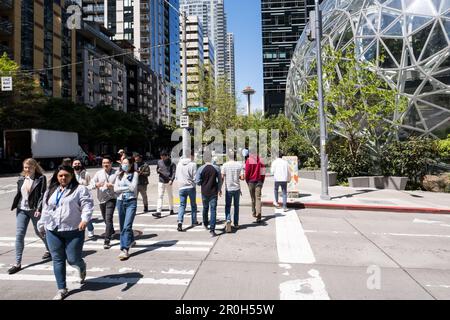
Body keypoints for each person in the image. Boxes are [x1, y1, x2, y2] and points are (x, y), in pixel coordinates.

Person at [38, 165, 94, 300]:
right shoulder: (51, 190)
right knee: (57, 259)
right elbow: (46, 209)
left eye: (66, 175)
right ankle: (62, 288)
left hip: (73, 229)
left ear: (71, 176)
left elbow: (87, 205)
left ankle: (81, 266)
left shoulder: (80, 189)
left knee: (73, 259)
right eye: (60, 175)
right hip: (53, 230)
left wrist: (84, 219)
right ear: (57, 177)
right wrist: (41, 224)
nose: (63, 178)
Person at [8, 159, 51, 275]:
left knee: (40, 232)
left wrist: (39, 209)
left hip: (34, 210)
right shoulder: (21, 178)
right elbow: (20, 193)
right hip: (21, 209)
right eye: (25, 167)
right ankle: (17, 263)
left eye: (29, 167)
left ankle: (50, 249)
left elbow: (42, 195)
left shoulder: (41, 178)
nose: (27, 170)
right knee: (19, 235)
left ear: (34, 167)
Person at [90, 156, 118, 249]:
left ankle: (107, 240)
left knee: (108, 218)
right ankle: (112, 231)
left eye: (107, 163)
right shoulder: (98, 173)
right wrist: (96, 185)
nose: (105, 164)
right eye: (103, 163)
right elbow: (91, 184)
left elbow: (120, 185)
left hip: (112, 198)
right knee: (106, 219)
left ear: (111, 163)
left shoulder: (116, 173)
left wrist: (112, 186)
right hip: (101, 199)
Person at [114, 156, 139, 261]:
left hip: (131, 201)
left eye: (126, 163)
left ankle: (124, 249)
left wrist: (125, 180)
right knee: (123, 225)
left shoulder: (135, 174)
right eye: (122, 163)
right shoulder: (118, 175)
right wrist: (125, 188)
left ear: (131, 164)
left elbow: (133, 188)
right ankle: (131, 240)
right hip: (120, 201)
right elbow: (116, 189)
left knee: (127, 226)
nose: (124, 165)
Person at [195, 149, 222, 237]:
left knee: (205, 208)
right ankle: (212, 230)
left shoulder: (200, 169)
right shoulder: (217, 168)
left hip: (204, 192)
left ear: (204, 159)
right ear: (211, 158)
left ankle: (205, 223)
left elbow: (198, 182)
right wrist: (219, 189)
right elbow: (220, 180)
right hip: (213, 192)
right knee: (213, 210)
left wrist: (203, 182)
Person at [175, 150, 199, 232]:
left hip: (181, 187)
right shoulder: (193, 164)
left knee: (182, 205)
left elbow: (176, 176)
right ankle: (194, 221)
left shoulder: (179, 164)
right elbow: (195, 177)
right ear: (191, 156)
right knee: (193, 205)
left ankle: (180, 221)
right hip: (190, 187)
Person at [221, 150, 244, 232]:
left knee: (228, 206)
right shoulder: (239, 165)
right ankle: (236, 223)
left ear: (228, 156)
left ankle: (228, 219)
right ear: (235, 156)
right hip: (237, 188)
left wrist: (219, 188)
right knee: (236, 206)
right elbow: (242, 178)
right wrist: (236, 177)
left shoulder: (225, 165)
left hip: (228, 189)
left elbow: (222, 177)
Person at [73, 160, 95, 239]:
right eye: (75, 163)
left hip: (84, 198)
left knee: (86, 214)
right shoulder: (71, 174)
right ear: (72, 165)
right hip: (74, 198)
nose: (77, 165)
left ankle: (90, 230)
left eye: (78, 163)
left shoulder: (86, 174)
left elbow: (92, 184)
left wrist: (84, 188)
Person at [153, 151, 176, 218]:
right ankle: (158, 212)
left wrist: (171, 180)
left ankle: (171, 209)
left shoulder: (172, 163)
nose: (162, 158)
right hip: (161, 181)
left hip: (168, 181)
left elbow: (174, 172)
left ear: (167, 156)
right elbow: (157, 169)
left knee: (170, 196)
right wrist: (158, 170)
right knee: (160, 196)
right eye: (161, 157)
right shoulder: (159, 162)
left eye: (163, 157)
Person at [245, 153, 266, 223]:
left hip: (251, 181)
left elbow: (247, 172)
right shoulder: (261, 160)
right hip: (259, 181)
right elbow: (263, 172)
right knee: (258, 198)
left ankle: (254, 212)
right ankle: (258, 215)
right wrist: (262, 181)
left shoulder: (248, 160)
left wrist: (247, 181)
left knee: (253, 198)